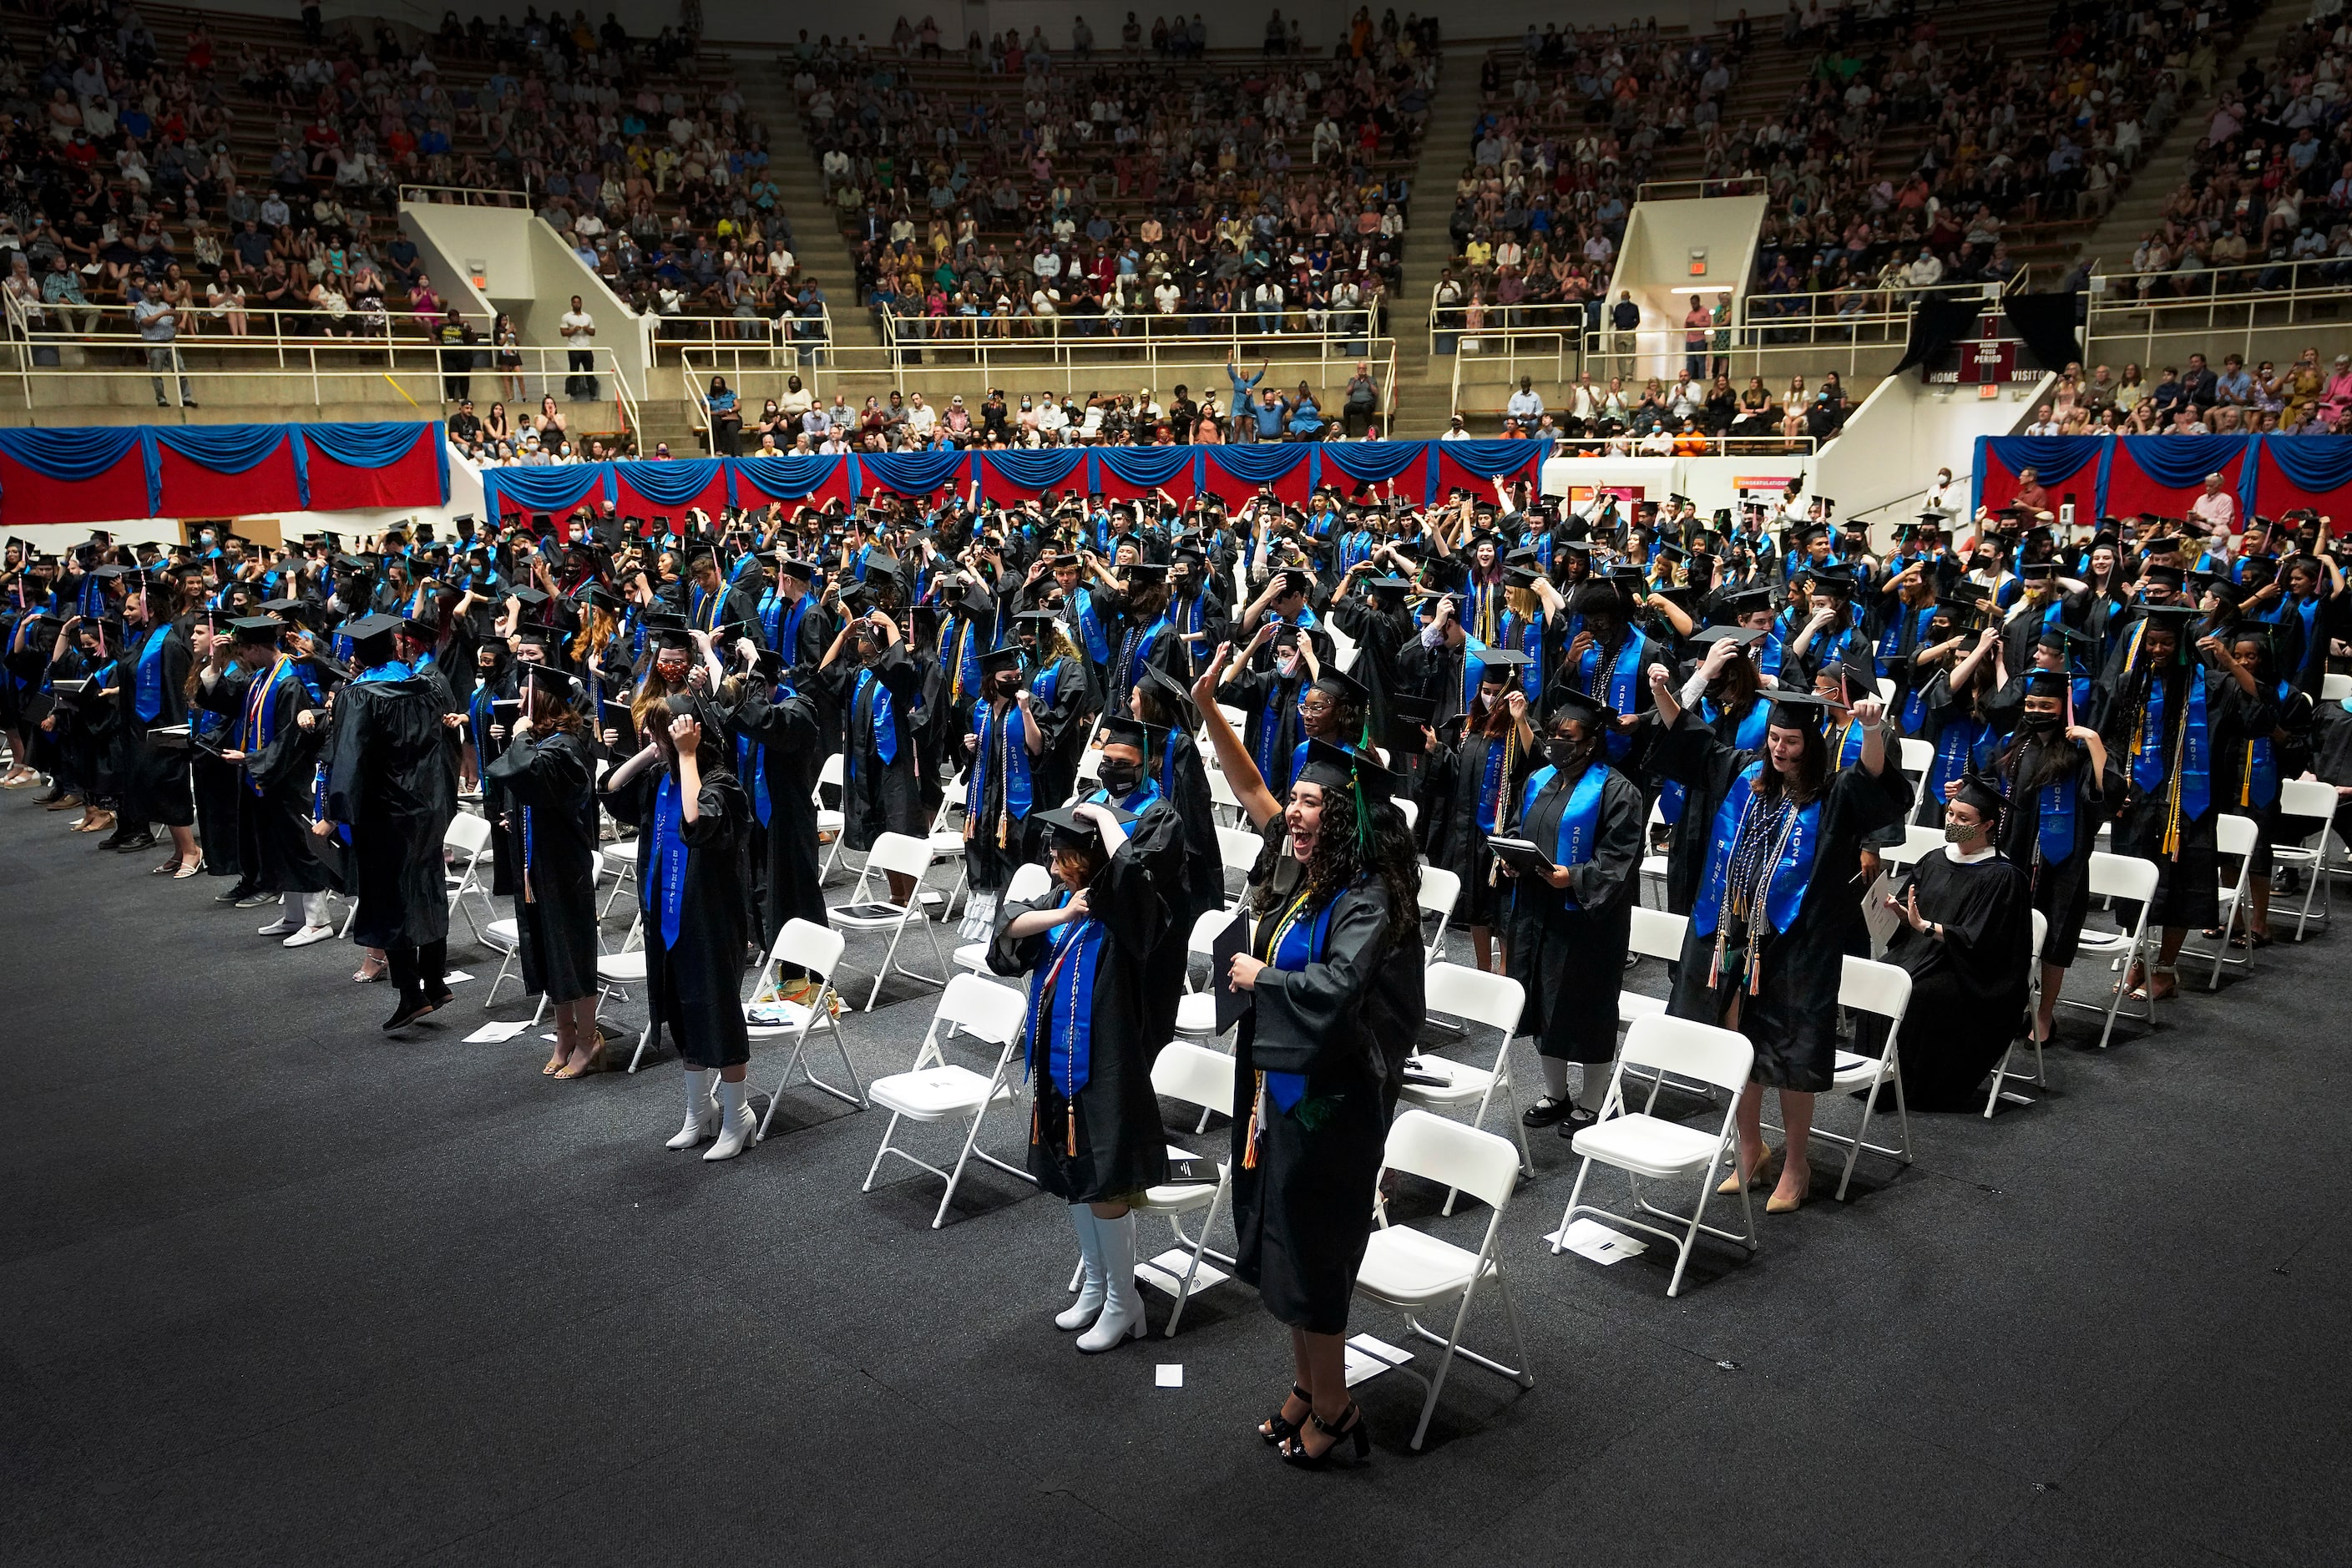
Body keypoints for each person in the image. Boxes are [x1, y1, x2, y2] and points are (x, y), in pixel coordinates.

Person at [1192, 651, 1424, 1468]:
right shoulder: (1306, 872)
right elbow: (1250, 785)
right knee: (1281, 1235)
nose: (1290, 810)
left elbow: (1335, 986)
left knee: (1316, 1246)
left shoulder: (1368, 896)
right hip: (1277, 1080)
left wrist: (1264, 976)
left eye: (1309, 801)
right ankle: (1307, 1384)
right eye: (1294, 796)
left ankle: (1336, 1403)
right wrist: (1208, 708)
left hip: (1331, 1099)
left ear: (1347, 814)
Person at [1644, 672, 1904, 1213]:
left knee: (1789, 1054)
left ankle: (1795, 1164)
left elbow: (1874, 778)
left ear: (1809, 744)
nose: (1780, 749)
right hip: (1734, 938)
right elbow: (1692, 739)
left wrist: (1873, 731)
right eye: (1774, 739)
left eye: (1791, 741)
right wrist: (1661, 693)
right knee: (1736, 1040)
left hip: (1799, 946)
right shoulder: (1743, 774)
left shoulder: (1832, 796)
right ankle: (1750, 1147)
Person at [989, 742, 1186, 1353]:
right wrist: (1061, 913)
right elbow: (1006, 935)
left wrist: (1105, 820)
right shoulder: (1064, 901)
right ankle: (1097, 1286)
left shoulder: (1129, 918)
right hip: (1058, 1063)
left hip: (1107, 1066)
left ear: (1087, 859)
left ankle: (1125, 1302)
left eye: (1059, 853)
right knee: (1073, 1173)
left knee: (1103, 1179)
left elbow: (1135, 884)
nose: (1049, 860)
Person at [600, 687, 757, 1161]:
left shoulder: (720, 784)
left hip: (710, 922)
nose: (655, 738)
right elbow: (611, 790)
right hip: (667, 919)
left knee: (718, 1013)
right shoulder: (660, 778)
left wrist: (685, 756)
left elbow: (696, 823)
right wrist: (652, 750)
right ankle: (698, 1110)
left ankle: (737, 1115)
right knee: (682, 1012)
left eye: (662, 730)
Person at [1502, 689, 1646, 1135]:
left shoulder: (1618, 791)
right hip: (1538, 912)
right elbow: (1521, 824)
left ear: (1590, 741)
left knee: (1587, 1007)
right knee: (1543, 1001)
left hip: (1587, 921)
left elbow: (1621, 858)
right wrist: (1510, 853)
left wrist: (1577, 877)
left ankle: (1591, 1100)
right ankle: (1556, 1093)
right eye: (1552, 734)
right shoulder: (1539, 778)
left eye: (1567, 736)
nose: (1555, 743)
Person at [321, 613, 460, 1030]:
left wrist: (336, 814)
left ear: (357, 656)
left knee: (390, 896)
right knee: (429, 887)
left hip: (385, 813)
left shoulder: (359, 695)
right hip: (429, 806)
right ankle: (436, 980)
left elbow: (349, 759)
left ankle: (411, 994)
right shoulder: (426, 685)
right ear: (395, 645)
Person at [1870, 772, 2035, 1110]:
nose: (1952, 822)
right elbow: (1913, 912)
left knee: (1921, 994)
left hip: (1972, 975)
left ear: (1987, 825)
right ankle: (1878, 1078)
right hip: (1922, 953)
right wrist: (1900, 914)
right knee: (1882, 975)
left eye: (1963, 818)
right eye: (1950, 814)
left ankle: (1916, 1089)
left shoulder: (2004, 876)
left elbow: (1984, 942)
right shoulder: (1935, 858)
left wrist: (1926, 927)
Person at [1988, 669, 2121, 1044]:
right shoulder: (2015, 745)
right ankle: (2007, 1007)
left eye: (2046, 705)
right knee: (2008, 935)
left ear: (2064, 709)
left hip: (2063, 863)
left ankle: (2044, 1014)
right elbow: (1990, 783)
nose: (2036, 710)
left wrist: (2094, 742)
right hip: (2014, 853)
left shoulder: (2079, 752)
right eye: (2031, 704)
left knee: (2055, 939)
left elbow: (2107, 796)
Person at [486, 659, 604, 1075]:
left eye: (525, 695)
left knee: (572, 952)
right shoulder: (542, 742)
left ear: (545, 700)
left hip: (563, 865)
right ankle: (565, 1034)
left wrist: (517, 739)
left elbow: (529, 771)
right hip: (535, 865)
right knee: (550, 951)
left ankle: (589, 1039)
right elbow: (518, 782)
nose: (518, 702)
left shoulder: (565, 746)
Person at [559, 294, 597, 399]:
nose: (577, 304)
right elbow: (563, 332)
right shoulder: (566, 316)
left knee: (589, 370)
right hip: (573, 347)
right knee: (574, 371)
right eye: (575, 302)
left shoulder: (587, 316)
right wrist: (573, 330)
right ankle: (573, 394)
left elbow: (593, 331)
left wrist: (586, 329)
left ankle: (592, 394)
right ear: (572, 304)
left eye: (579, 302)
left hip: (586, 347)